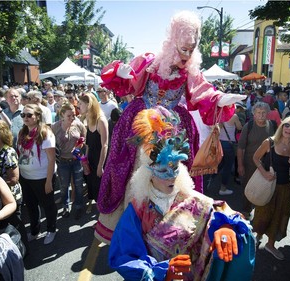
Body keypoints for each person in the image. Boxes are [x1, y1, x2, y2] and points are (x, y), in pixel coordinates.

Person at [95, 10, 243, 243]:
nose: (186, 55)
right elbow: (129, 84)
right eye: (183, 49)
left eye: (191, 50)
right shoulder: (149, 62)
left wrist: (220, 99)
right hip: (140, 123)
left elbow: (204, 93)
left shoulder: (191, 72)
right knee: (131, 169)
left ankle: (169, 226)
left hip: (173, 127)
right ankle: (130, 225)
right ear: (173, 42)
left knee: (174, 175)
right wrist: (122, 75)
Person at [109, 107, 255, 281]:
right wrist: (160, 272)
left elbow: (219, 212)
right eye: (163, 169)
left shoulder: (192, 199)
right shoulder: (138, 209)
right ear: (148, 172)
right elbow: (125, 256)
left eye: (175, 167)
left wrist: (226, 226)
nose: (171, 175)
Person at [252, 116, 290, 260]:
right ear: (282, 126)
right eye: (287, 125)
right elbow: (256, 158)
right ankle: (259, 234)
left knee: (280, 214)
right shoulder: (270, 142)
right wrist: (264, 172)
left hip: (284, 187)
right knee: (263, 211)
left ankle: (271, 244)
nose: (289, 129)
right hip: (268, 185)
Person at [17, 104, 57, 245]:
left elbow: (52, 159)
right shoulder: (22, 133)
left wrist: (48, 181)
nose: (25, 118)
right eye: (23, 115)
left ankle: (51, 229)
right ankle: (35, 231)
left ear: (37, 116)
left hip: (42, 177)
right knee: (31, 206)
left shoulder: (45, 133)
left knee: (48, 205)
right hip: (25, 177)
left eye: (29, 115)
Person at [237, 102, 277, 215]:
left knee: (264, 189)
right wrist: (240, 165)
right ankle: (246, 211)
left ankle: (260, 213)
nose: (261, 115)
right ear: (254, 113)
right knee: (248, 188)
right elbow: (240, 147)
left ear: (268, 113)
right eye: (258, 112)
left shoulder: (272, 126)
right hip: (249, 164)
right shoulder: (248, 126)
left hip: (267, 164)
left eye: (264, 112)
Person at [51, 102, 86, 220]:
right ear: (62, 115)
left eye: (73, 115)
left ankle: (78, 207)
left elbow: (84, 138)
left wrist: (79, 146)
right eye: (69, 116)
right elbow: (50, 143)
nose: (72, 118)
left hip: (76, 160)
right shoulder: (55, 127)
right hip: (62, 162)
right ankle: (65, 206)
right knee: (64, 186)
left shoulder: (78, 124)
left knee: (79, 186)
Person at [0, 120, 28, 253]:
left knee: (16, 224)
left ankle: (23, 248)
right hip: (1, 197)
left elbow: (14, 179)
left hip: (12, 196)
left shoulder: (8, 152)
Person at [78, 93, 108, 213]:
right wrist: (85, 159)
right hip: (90, 160)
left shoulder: (101, 120)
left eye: (80, 104)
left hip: (100, 161)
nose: (78, 106)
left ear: (88, 104)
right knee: (93, 187)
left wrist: (100, 166)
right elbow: (89, 144)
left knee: (101, 189)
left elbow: (105, 145)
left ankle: (103, 218)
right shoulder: (89, 119)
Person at [217, 110, 243, 195]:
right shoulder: (234, 116)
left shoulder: (219, 114)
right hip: (229, 143)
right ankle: (223, 188)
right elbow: (239, 127)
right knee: (228, 166)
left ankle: (209, 179)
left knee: (220, 163)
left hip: (220, 142)